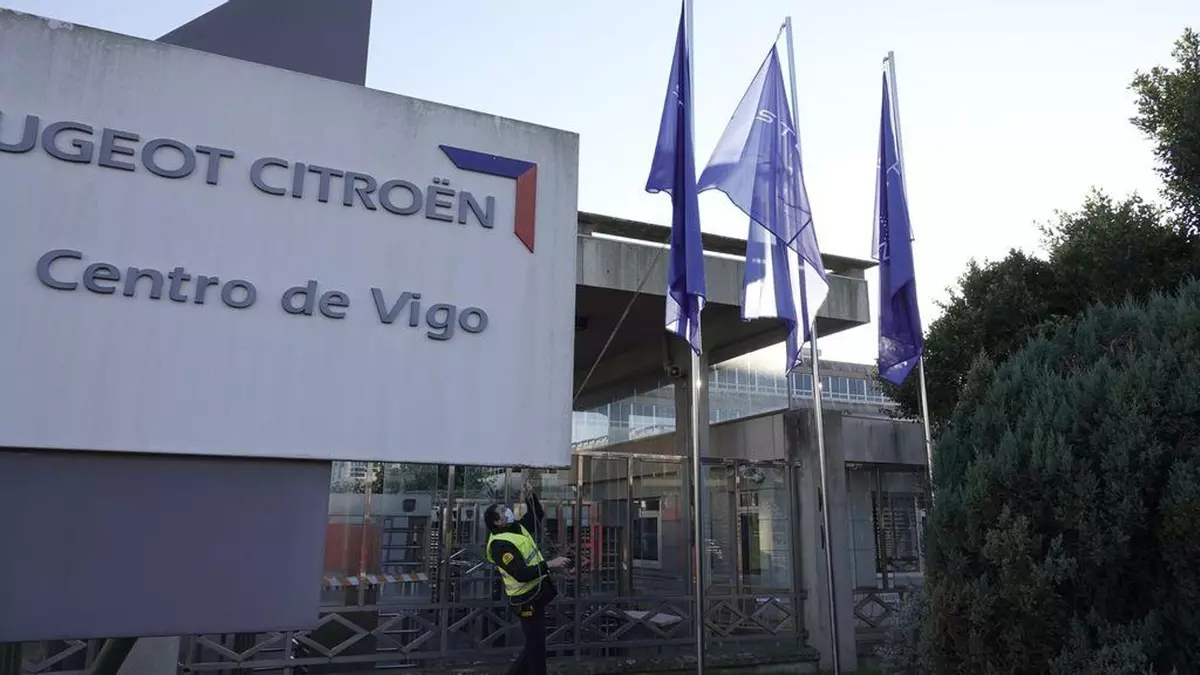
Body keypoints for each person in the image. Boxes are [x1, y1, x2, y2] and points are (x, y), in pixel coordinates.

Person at [484, 481, 570, 675]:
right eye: (502, 511)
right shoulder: (499, 545)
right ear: (497, 522)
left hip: (536, 593)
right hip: (524, 600)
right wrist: (550, 564)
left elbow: (536, 514)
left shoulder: (516, 528)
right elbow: (521, 574)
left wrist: (529, 495)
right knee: (535, 644)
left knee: (535, 643)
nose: (507, 511)